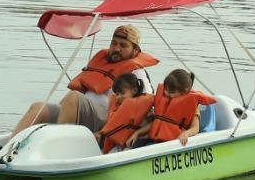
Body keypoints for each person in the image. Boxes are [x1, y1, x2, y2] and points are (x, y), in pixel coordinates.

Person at [12, 25, 157, 136]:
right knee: (39, 107)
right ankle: (6, 148)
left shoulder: (137, 72)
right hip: (81, 112)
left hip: (107, 119)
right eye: (114, 43)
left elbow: (146, 105)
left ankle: (58, 147)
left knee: (74, 97)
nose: (116, 48)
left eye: (123, 45)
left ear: (135, 50)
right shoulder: (102, 62)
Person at [134, 69, 215, 147]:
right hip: (154, 140)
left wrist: (186, 133)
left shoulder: (191, 107)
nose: (167, 94)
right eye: (165, 90)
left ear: (184, 91)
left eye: (171, 92)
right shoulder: (164, 101)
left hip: (171, 144)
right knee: (136, 144)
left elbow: (195, 128)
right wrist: (137, 133)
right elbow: (157, 122)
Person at [93, 73, 154, 153]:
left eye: (122, 93)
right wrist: (100, 133)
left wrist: (137, 133)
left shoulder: (145, 105)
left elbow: (152, 123)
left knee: (127, 150)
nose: (118, 97)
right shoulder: (118, 107)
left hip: (137, 141)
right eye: (117, 94)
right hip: (118, 143)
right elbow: (111, 125)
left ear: (134, 90)